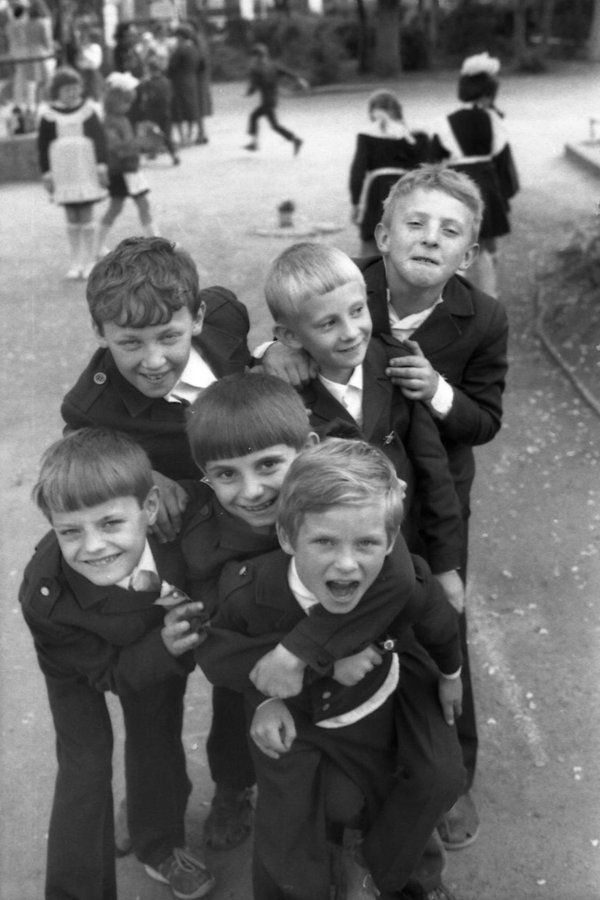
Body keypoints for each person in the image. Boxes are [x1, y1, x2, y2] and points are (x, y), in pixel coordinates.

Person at [261, 163, 509, 855]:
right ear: (382, 234)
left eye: (450, 231)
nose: (430, 238)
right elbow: (298, 316)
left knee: (441, 624)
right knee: (356, 619)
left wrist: (435, 389)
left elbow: (485, 420)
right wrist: (271, 349)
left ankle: (453, 773)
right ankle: (355, 760)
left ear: (468, 253)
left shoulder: (483, 317)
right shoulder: (349, 285)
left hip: (432, 492)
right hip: (346, 505)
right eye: (416, 223)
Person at [195, 437, 466, 900]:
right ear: (287, 537)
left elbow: (439, 623)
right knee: (288, 831)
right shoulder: (247, 593)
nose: (346, 564)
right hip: (297, 716)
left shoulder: (402, 582)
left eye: (367, 543)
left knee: (438, 779)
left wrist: (451, 674)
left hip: (378, 704)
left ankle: (384, 873)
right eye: (323, 541)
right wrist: (270, 698)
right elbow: (218, 655)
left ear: (391, 542)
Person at [180, 372, 422, 857]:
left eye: (269, 465)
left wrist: (303, 651)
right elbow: (215, 642)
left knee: (389, 748)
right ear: (205, 474)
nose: (252, 491)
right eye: (226, 474)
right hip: (258, 670)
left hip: (353, 650)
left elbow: (399, 575)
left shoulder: (340, 491)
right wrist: (305, 666)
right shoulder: (204, 543)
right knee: (237, 730)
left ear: (308, 449)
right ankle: (233, 788)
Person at [18, 427, 214, 900]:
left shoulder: (186, 517)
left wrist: (163, 649)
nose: (93, 547)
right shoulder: (45, 597)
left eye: (110, 523)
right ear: (52, 525)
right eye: (70, 531)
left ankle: (159, 844)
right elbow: (107, 674)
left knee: (156, 733)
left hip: (154, 633)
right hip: (78, 659)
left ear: (150, 508)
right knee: (84, 766)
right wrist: (162, 647)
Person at [263, 241, 464, 613]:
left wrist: (445, 564)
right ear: (289, 337)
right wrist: (264, 352)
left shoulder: (396, 364)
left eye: (357, 311)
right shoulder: (282, 399)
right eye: (328, 323)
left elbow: (434, 471)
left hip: (407, 548)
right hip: (336, 568)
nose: (351, 332)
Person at [60, 236, 252, 546]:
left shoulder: (225, 315)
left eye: (168, 337)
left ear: (198, 318)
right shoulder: (91, 406)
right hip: (200, 532)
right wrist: (138, 477)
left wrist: (278, 348)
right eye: (130, 342)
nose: (153, 361)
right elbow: (77, 452)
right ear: (100, 332)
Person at [438, 52, 519, 297]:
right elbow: (502, 158)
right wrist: (504, 193)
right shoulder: (493, 119)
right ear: (485, 94)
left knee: (456, 241)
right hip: (486, 183)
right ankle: (489, 296)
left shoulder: (447, 121)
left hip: (458, 185)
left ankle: (453, 298)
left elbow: (434, 157)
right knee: (486, 243)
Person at [350, 89, 445, 255]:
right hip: (405, 190)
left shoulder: (367, 135)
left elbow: (357, 172)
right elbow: (426, 167)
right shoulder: (414, 135)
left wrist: (356, 203)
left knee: (371, 245)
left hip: (377, 192)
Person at [37, 66, 108, 280]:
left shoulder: (88, 111)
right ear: (57, 91)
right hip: (63, 172)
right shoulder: (48, 115)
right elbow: (43, 146)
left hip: (85, 169)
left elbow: (100, 139)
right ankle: (76, 261)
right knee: (71, 215)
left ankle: (90, 261)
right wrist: (46, 172)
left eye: (75, 88)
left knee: (86, 212)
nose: (72, 93)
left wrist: (101, 164)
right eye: (67, 89)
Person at [95, 71, 157, 255]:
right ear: (113, 101)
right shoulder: (109, 122)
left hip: (130, 168)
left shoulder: (122, 119)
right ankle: (97, 246)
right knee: (118, 207)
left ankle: (155, 241)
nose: (129, 106)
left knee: (140, 204)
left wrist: (139, 142)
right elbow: (115, 147)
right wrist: (139, 142)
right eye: (125, 102)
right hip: (121, 170)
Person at [243, 42, 306, 155]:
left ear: (256, 57)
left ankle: (255, 143)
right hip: (272, 100)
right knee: (270, 124)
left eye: (254, 56)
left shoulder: (257, 70)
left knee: (259, 118)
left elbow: (253, 88)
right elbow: (286, 72)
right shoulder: (272, 66)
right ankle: (294, 140)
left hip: (267, 102)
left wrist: (248, 93)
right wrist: (298, 78)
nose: (253, 59)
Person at [133, 55, 180, 165]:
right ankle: (174, 155)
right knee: (167, 135)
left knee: (152, 133)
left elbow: (145, 97)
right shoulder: (167, 81)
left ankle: (153, 152)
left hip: (152, 113)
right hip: (166, 112)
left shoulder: (148, 83)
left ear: (150, 69)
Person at [167, 25, 200, 147]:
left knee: (179, 110)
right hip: (191, 79)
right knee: (190, 108)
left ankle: (182, 137)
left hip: (178, 81)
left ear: (180, 37)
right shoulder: (194, 48)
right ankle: (190, 136)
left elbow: (171, 66)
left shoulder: (180, 49)